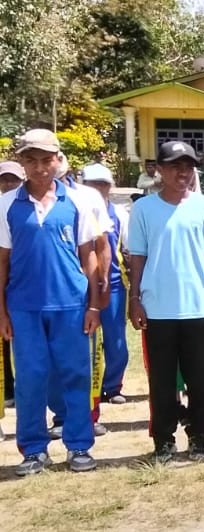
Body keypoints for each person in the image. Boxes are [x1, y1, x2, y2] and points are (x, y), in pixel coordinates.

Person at [0, 130, 105, 475]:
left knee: (74, 375)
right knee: (30, 377)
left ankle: (79, 446)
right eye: (31, 160)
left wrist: (93, 305)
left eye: (47, 159)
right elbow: (2, 261)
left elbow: (88, 256)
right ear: (23, 163)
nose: (40, 167)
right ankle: (33, 450)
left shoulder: (79, 200)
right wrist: (2, 310)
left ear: (58, 160)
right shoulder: (6, 204)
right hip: (24, 306)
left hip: (71, 304)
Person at [128, 140, 204, 463]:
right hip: (157, 309)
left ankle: (199, 437)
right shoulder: (144, 209)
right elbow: (137, 257)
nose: (182, 172)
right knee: (162, 381)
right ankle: (164, 440)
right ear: (159, 169)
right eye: (174, 166)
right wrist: (135, 298)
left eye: (188, 166)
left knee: (201, 379)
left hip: (198, 307)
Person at [80, 164, 131, 406]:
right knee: (85, 338)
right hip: (82, 285)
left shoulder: (120, 213)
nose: (98, 188)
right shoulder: (76, 208)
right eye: (92, 183)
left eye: (103, 183)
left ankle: (113, 385)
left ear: (110, 186)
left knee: (116, 338)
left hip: (114, 283)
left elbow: (129, 249)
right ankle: (89, 387)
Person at [0, 161, 23, 420]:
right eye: (4, 180)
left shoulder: (17, 208)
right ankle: (6, 389)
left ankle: (18, 390)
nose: (8, 184)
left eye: (13, 179)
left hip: (18, 286)